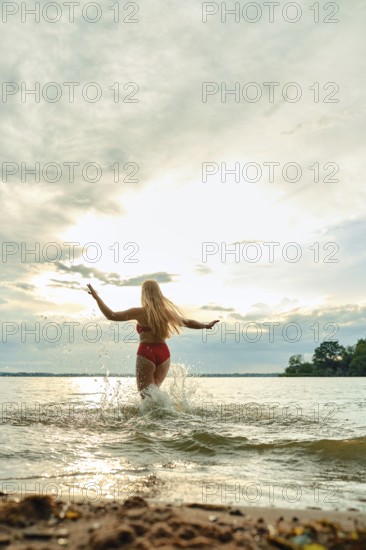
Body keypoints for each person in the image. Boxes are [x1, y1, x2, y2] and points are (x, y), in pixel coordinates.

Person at [87, 280, 219, 397]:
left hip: (147, 352)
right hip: (164, 354)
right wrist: (205, 325)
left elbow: (111, 316)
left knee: (146, 397)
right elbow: (187, 322)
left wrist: (97, 298)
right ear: (158, 294)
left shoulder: (139, 312)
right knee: (155, 393)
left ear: (143, 294)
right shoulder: (166, 313)